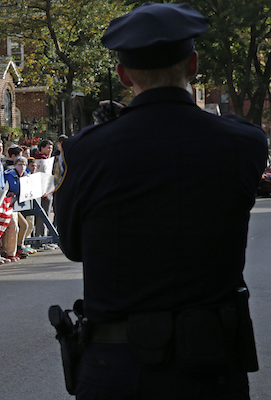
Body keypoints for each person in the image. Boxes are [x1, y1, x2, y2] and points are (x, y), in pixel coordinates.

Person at [54, 4, 266, 398]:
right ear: (193, 65)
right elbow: (216, 132)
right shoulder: (244, 143)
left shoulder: (85, 152)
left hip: (116, 366)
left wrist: (112, 131)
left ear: (122, 74)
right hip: (211, 362)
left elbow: (73, 245)